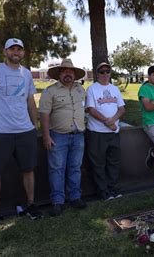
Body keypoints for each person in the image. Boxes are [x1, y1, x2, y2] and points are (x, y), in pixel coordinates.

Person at [0, 38, 42, 230]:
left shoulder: (27, 74)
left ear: (23, 53)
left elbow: (30, 101)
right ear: (5, 51)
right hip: (1, 133)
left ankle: (30, 205)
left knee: (28, 170)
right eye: (12, 49)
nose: (16, 52)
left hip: (25, 132)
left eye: (19, 49)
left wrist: (35, 124)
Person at [39, 59, 87, 216]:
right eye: (64, 71)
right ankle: (58, 201)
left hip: (78, 135)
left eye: (71, 71)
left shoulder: (80, 90)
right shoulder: (50, 91)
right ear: (59, 74)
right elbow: (44, 114)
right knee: (56, 169)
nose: (68, 73)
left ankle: (75, 197)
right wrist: (46, 136)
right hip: (57, 136)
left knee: (75, 167)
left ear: (74, 74)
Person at [85, 62, 126, 201]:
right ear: (97, 74)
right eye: (101, 72)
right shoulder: (92, 89)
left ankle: (113, 189)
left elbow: (122, 109)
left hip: (113, 132)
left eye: (107, 71)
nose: (105, 74)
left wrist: (112, 121)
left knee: (113, 162)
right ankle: (103, 191)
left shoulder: (114, 89)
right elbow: (90, 109)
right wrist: (107, 122)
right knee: (98, 164)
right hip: (97, 133)